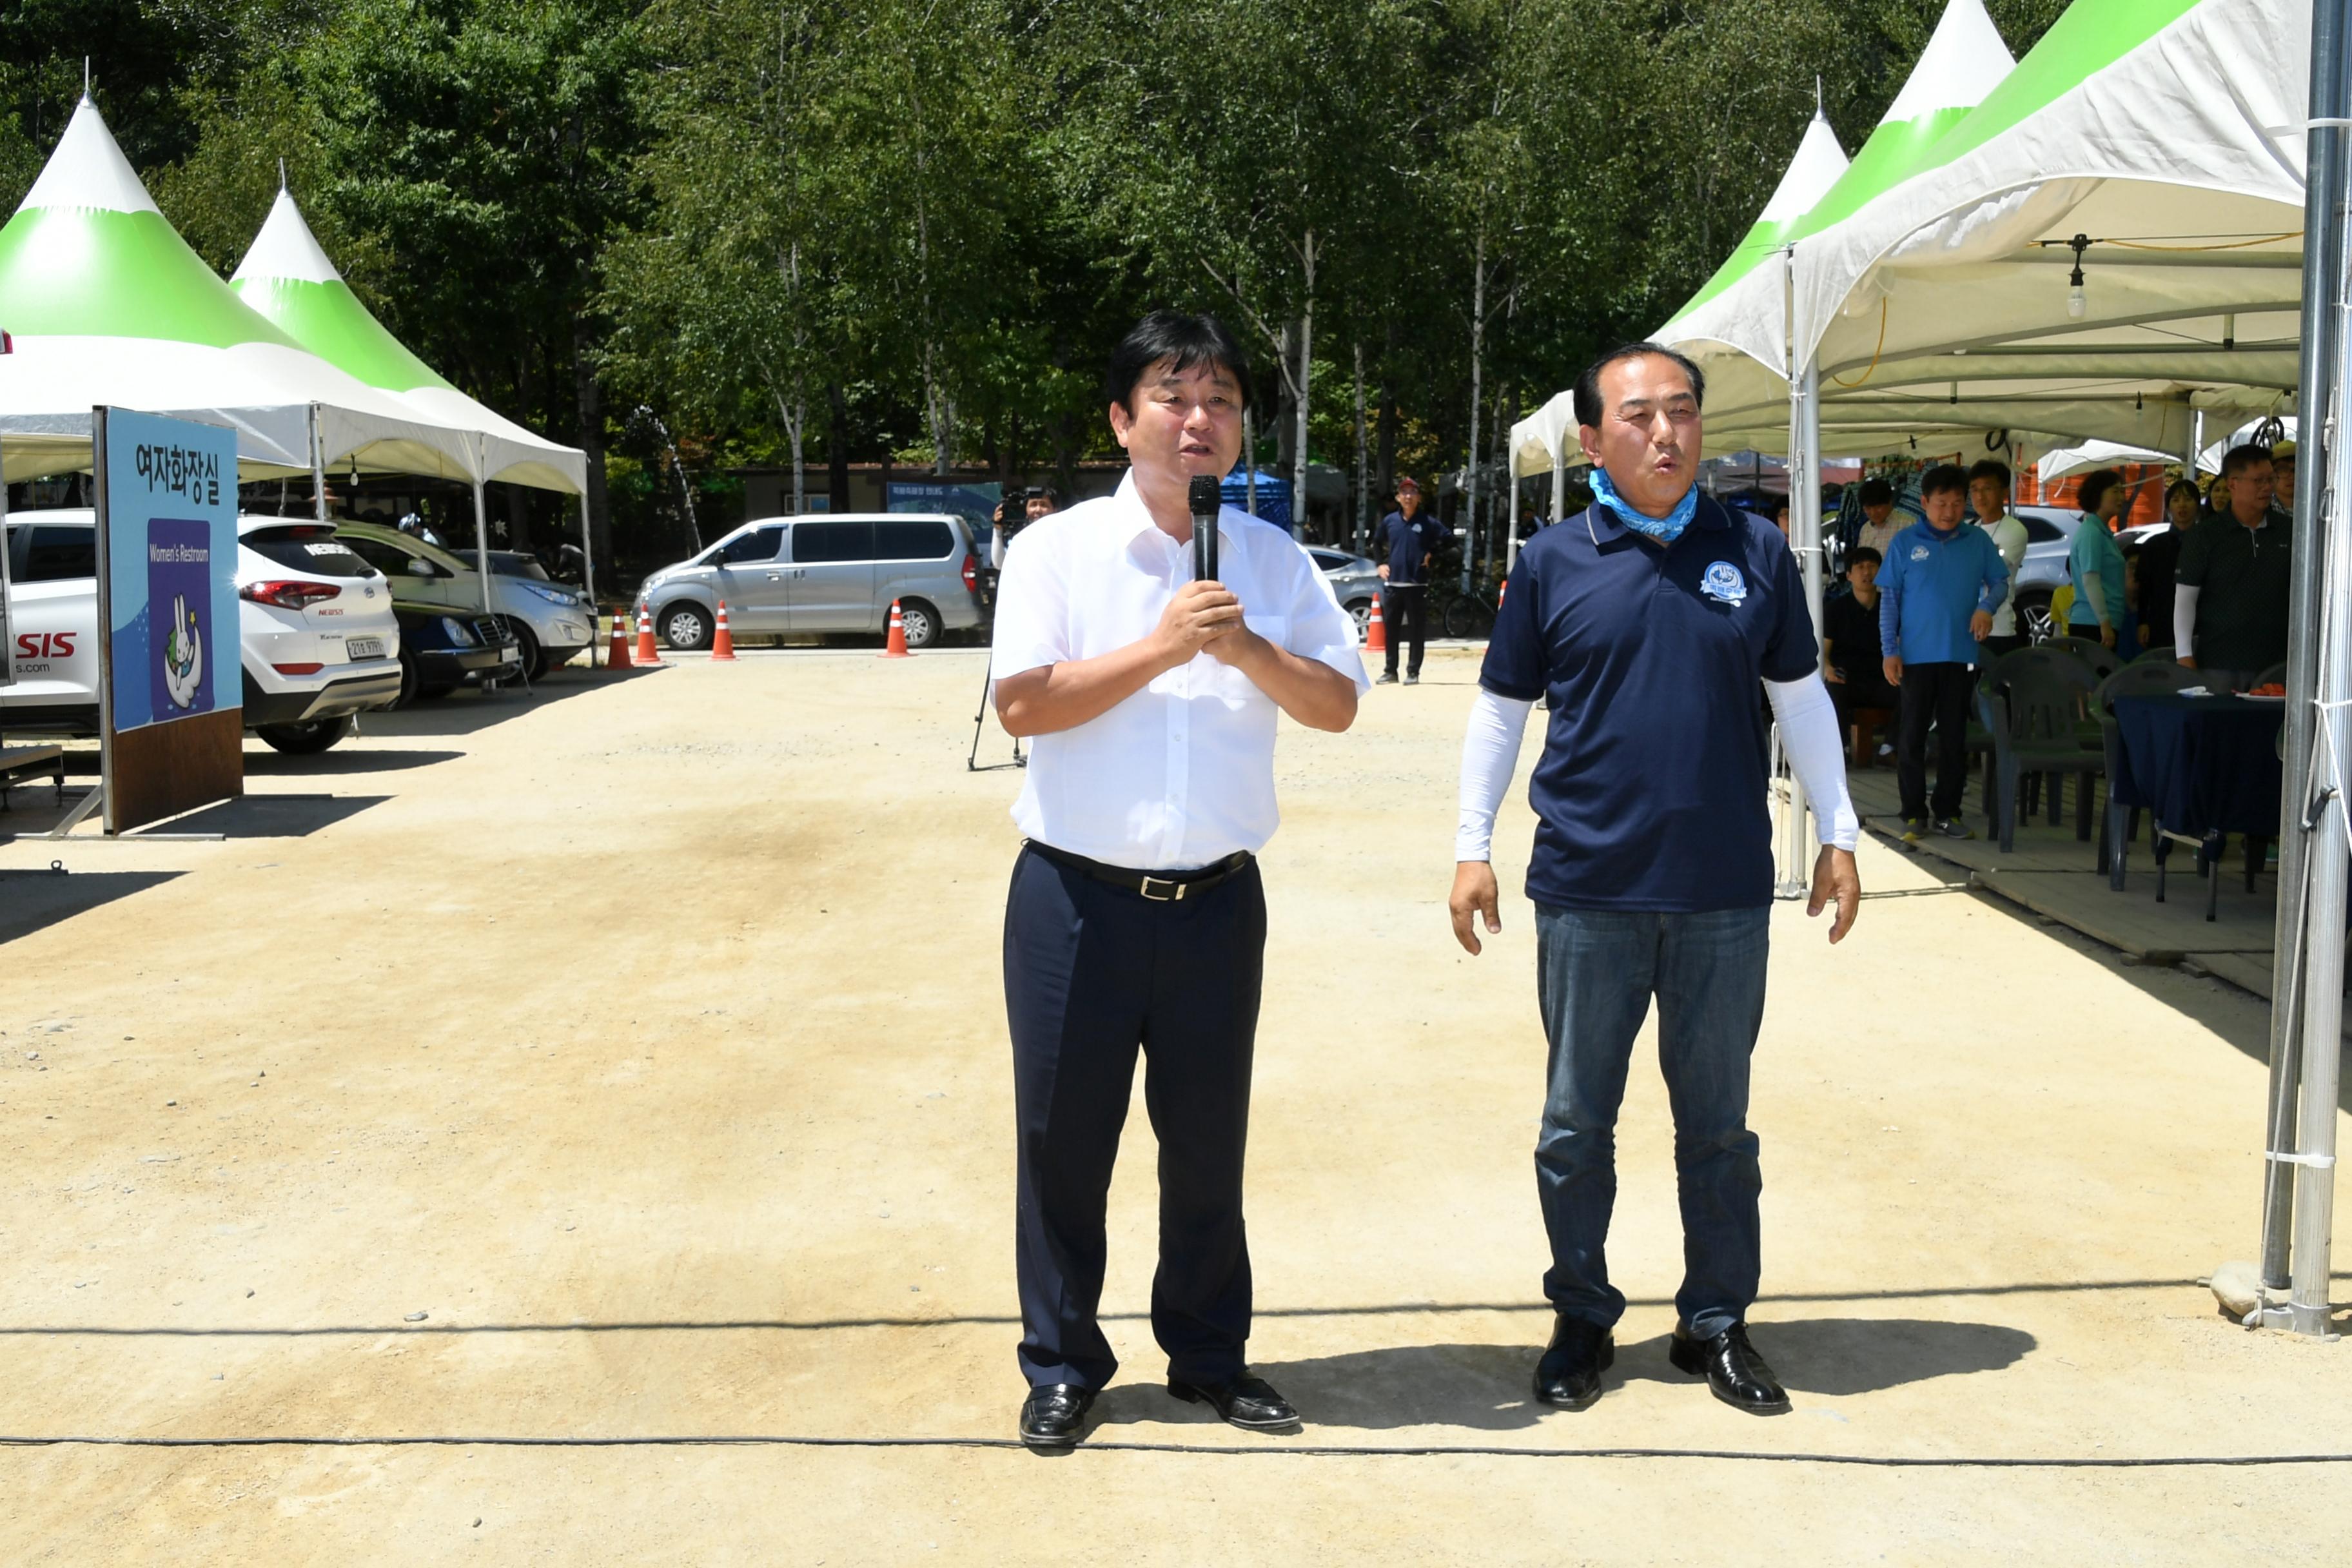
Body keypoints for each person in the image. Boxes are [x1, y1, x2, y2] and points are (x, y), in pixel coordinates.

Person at [1447, 342, 1861, 1419]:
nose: (1664, 433)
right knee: (1574, 1123)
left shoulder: (1755, 550)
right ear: (1592, 438)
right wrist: (1468, 846)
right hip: (1587, 889)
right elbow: (1499, 710)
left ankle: (1714, 1321)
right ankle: (1581, 1314)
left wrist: (1839, 829)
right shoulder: (1552, 559)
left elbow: (1801, 696)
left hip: (1723, 891)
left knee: (1717, 1128)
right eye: (1637, 416)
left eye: (1680, 411)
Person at [988, 310, 1366, 1453]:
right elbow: (1022, 703)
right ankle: (1062, 1362)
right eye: (1172, 395)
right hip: (1072, 900)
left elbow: (1338, 702)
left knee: (1207, 1143)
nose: (1198, 420)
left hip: (1213, 901)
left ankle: (1207, 1354)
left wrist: (1246, 646)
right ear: (1121, 417)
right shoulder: (1053, 553)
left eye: (1221, 402)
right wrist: (1160, 645)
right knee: (1064, 1142)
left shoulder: (1271, 559)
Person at [1878, 462, 2010, 843]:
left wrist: (1986, 607)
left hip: (1960, 654)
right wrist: (1890, 650)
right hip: (1915, 656)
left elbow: (2000, 582)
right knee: (1912, 735)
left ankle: (1949, 812)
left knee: (1955, 737)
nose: (1949, 511)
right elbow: (1890, 600)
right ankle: (1914, 812)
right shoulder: (1905, 543)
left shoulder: (1977, 541)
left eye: (1957, 503)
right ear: (1924, 503)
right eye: (1941, 503)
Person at [2176, 443, 2291, 689]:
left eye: (2270, 479)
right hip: (2219, 663)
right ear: (2233, 484)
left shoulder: (2290, 531)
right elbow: (2185, 598)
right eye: (2258, 480)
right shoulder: (2205, 535)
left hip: (2279, 663)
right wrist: (2184, 655)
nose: (2267, 487)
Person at [1823, 547, 1897, 752]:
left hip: (1883, 678)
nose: (1867, 572)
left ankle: (1891, 747)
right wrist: (1828, 669)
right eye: (1860, 567)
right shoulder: (1835, 609)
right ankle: (1841, 749)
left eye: (1872, 566)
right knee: (1832, 689)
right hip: (1847, 678)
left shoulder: (1890, 606)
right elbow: (1823, 651)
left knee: (1911, 690)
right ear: (1849, 575)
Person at [1375, 476, 1445, 684]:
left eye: (1412, 492)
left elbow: (1449, 540)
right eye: (1404, 493)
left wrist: (1431, 553)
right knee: (1391, 631)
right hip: (1393, 584)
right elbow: (1376, 543)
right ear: (1398, 497)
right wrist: (1380, 564)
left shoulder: (1428, 522)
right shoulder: (1390, 521)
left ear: (1419, 497)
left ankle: (1413, 672)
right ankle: (1390, 671)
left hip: (1417, 584)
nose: (1408, 496)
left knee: (1416, 630)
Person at [1968, 460, 2029, 658]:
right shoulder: (1968, 528)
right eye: (1974, 489)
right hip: (1966, 626)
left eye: (1987, 488)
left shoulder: (2014, 530)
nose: (1980, 496)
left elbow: (1986, 573)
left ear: (2004, 492)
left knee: (1996, 687)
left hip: (1998, 627)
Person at [2064, 469, 2130, 651]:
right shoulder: (2091, 533)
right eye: (2115, 491)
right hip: (2092, 624)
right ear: (2098, 494)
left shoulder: (2103, 532)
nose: (2121, 497)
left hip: (2102, 623)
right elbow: (2091, 580)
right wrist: (2104, 622)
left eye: (2122, 491)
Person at [2135, 478, 2199, 650]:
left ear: (2197, 505)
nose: (2182, 505)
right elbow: (2144, 589)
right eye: (2176, 500)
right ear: (2168, 507)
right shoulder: (2153, 545)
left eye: (2188, 499)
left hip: (2199, 622)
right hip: (2160, 620)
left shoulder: (2206, 543)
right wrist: (2142, 622)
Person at [1854, 478, 1902, 558]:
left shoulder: (1908, 525)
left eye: (1878, 507)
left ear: (1890, 502)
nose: (1873, 513)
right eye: (1868, 508)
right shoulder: (1865, 529)